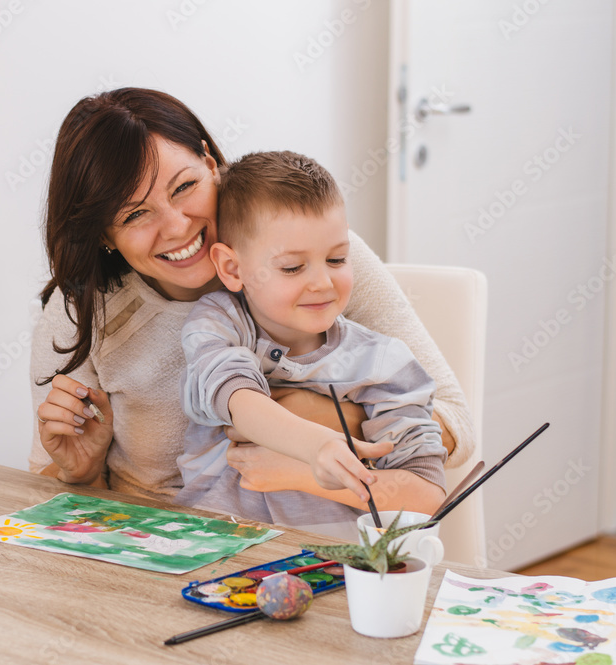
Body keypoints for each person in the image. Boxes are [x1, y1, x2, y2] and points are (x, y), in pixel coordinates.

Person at [29, 87, 474, 509]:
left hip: (312, 544)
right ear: (104, 234)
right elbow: (49, 498)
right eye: (135, 214)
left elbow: (456, 425)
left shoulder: (316, 264)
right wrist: (83, 475)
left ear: (210, 163)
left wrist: (316, 420)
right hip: (157, 548)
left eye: (184, 187)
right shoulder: (83, 313)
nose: (177, 226)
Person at [176, 150, 447, 534]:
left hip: (332, 565)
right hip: (210, 548)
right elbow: (235, 395)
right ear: (233, 268)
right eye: (293, 267)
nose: (322, 283)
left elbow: (426, 495)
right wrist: (315, 445)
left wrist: (304, 473)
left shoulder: (383, 363)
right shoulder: (219, 323)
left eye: (337, 259)